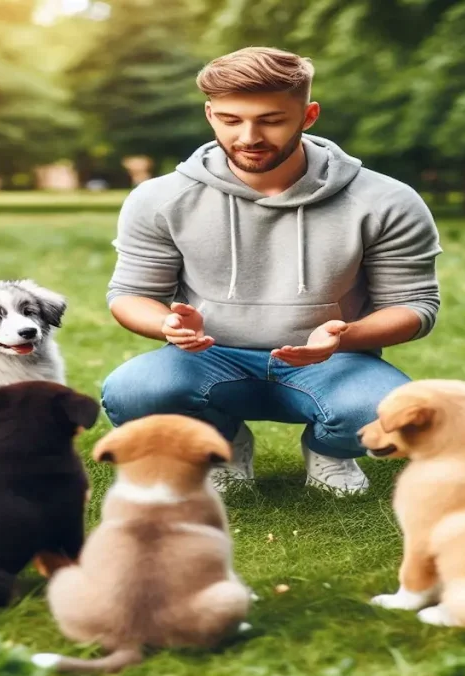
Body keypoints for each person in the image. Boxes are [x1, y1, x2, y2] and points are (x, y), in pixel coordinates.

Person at [100, 46, 442, 496]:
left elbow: (415, 306)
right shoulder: (159, 199)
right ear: (209, 114)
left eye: (272, 120)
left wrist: (343, 337)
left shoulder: (386, 200)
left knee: (385, 410)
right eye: (230, 119)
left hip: (335, 363)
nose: (249, 136)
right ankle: (222, 441)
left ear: (309, 114)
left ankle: (330, 450)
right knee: (134, 393)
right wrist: (166, 324)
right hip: (207, 358)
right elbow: (129, 294)